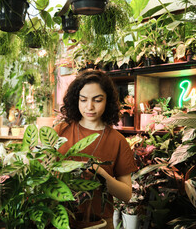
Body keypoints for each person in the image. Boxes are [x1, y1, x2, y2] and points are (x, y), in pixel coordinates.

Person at [54, 70, 138, 228]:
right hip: (59, 220)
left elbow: (126, 195)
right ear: (76, 100)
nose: (89, 107)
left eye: (97, 100)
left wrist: (102, 176)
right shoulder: (60, 131)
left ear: (108, 101)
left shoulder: (117, 141)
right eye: (83, 100)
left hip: (100, 224)